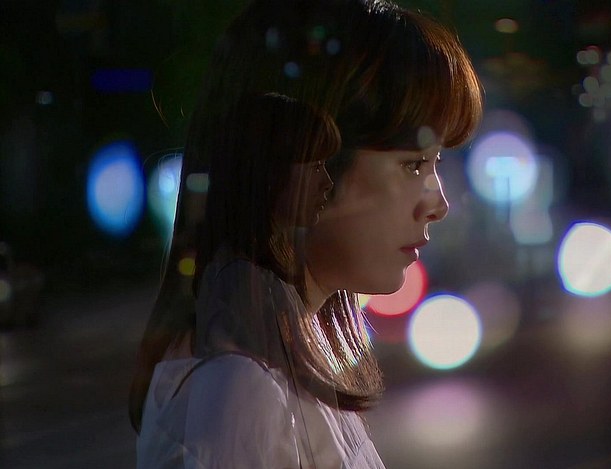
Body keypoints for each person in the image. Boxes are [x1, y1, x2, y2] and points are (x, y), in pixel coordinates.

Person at [128, 0, 483, 467]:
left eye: (435, 163)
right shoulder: (243, 389)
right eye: (413, 165)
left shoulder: (279, 359)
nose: (438, 205)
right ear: (298, 164)